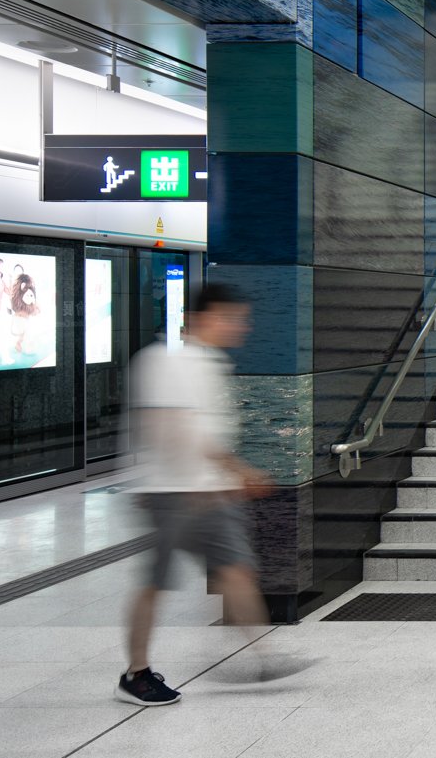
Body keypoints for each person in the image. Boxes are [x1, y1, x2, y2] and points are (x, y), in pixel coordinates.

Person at [118, 283, 306, 706]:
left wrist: (222, 479)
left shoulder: (210, 363)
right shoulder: (166, 362)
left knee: (236, 569)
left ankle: (264, 655)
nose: (242, 327)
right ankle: (136, 673)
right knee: (155, 584)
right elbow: (174, 428)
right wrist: (234, 470)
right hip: (172, 491)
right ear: (206, 318)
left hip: (209, 490)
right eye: (235, 319)